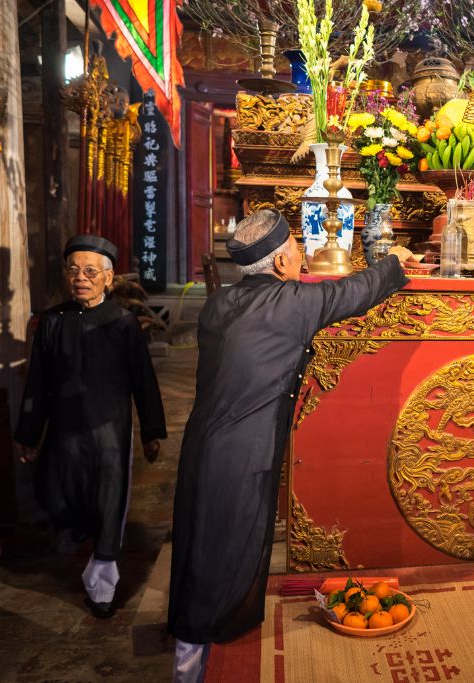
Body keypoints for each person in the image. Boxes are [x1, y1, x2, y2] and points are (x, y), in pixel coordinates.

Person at [168, 209, 410, 681]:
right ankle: (199, 663)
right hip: (244, 451)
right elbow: (353, 293)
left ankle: (195, 644)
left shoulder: (219, 304)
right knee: (228, 554)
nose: (302, 254)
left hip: (204, 443)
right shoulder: (291, 303)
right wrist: (395, 261)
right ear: (280, 264)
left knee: (201, 542)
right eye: (297, 248)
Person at [15, 234, 167, 619]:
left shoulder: (123, 323)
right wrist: (29, 435)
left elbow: (142, 380)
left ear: (108, 278)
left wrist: (151, 431)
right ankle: (83, 530)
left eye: (89, 271)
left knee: (109, 503)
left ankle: (102, 588)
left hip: (110, 433)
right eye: (73, 270)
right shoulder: (52, 322)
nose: (80, 278)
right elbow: (37, 384)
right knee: (59, 494)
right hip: (66, 431)